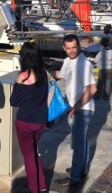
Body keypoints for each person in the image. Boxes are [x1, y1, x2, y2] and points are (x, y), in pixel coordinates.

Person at [53, 34, 97, 187]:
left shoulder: (83, 64)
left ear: (79, 46)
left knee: (77, 145)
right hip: (75, 108)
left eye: (74, 47)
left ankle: (75, 177)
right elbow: (61, 75)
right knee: (82, 141)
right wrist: (47, 74)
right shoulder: (67, 61)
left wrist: (76, 107)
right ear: (64, 48)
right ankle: (82, 168)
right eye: (69, 48)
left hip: (81, 110)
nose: (72, 51)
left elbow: (92, 88)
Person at [9, 42, 49, 193]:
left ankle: (34, 189)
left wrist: (17, 84)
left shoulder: (23, 77)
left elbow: (13, 101)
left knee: (28, 156)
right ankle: (42, 185)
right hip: (41, 121)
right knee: (34, 152)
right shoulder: (43, 73)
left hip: (25, 121)